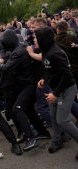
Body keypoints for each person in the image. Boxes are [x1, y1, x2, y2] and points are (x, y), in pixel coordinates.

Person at [34, 27, 78, 157]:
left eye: (36, 37)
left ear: (43, 39)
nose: (34, 40)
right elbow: (50, 70)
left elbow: (68, 76)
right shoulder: (46, 50)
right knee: (53, 116)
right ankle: (57, 140)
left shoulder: (55, 53)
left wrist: (55, 94)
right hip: (55, 89)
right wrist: (43, 78)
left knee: (62, 120)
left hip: (66, 90)